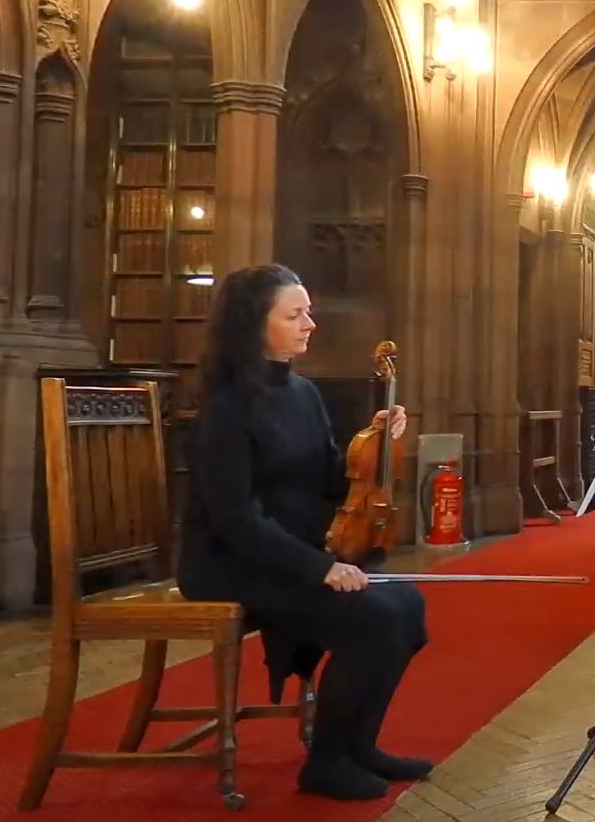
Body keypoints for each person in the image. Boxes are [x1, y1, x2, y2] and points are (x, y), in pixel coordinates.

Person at [178, 264, 429, 801]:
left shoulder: (303, 394)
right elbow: (236, 521)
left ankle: (358, 744)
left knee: (406, 605)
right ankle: (327, 762)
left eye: (308, 311)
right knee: (374, 618)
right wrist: (321, 567)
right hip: (230, 564)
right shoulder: (225, 408)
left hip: (290, 554)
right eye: (294, 314)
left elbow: (330, 479)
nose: (310, 323)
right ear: (253, 325)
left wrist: (379, 445)